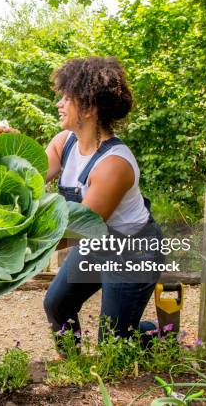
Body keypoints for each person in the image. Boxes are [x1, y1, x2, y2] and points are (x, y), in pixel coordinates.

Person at [43, 56, 161, 353]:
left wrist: (25, 250)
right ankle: (73, 366)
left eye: (67, 98)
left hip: (133, 251)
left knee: (113, 346)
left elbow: (81, 229)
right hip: (100, 244)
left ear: (89, 107)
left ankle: (160, 335)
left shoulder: (113, 165)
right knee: (57, 304)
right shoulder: (64, 142)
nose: (59, 104)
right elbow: (30, 178)